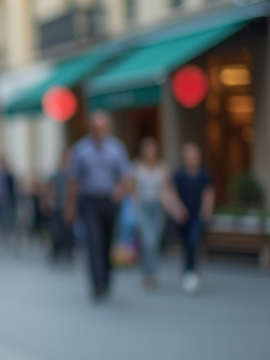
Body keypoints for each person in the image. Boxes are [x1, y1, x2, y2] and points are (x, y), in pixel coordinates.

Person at [64, 112, 132, 300]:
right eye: (95, 127)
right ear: (90, 128)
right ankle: (97, 283)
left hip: (110, 201)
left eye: (102, 127)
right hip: (89, 201)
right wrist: (70, 206)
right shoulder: (80, 149)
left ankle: (107, 279)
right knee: (94, 241)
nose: (98, 131)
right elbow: (73, 181)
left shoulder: (117, 148)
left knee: (108, 242)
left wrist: (120, 190)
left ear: (107, 128)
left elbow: (125, 177)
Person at [166, 142, 214, 293]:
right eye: (188, 156)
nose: (190, 159)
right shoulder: (179, 174)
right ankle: (187, 270)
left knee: (193, 241)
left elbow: (208, 192)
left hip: (197, 214)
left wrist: (206, 209)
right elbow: (172, 192)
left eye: (193, 156)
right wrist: (177, 208)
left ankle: (191, 272)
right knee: (186, 244)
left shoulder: (204, 174)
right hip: (183, 215)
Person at [131, 137, 169, 287]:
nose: (149, 152)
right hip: (143, 207)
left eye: (152, 149)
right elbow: (132, 189)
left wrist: (171, 207)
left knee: (155, 242)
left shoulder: (163, 168)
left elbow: (166, 190)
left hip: (158, 208)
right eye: (147, 149)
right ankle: (146, 274)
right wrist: (134, 206)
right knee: (148, 241)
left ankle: (152, 273)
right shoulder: (136, 167)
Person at [45, 149, 75, 263]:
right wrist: (49, 202)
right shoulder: (57, 175)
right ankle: (56, 251)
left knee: (68, 230)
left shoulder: (72, 175)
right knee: (57, 230)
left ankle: (68, 251)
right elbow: (50, 188)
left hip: (68, 206)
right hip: (58, 205)